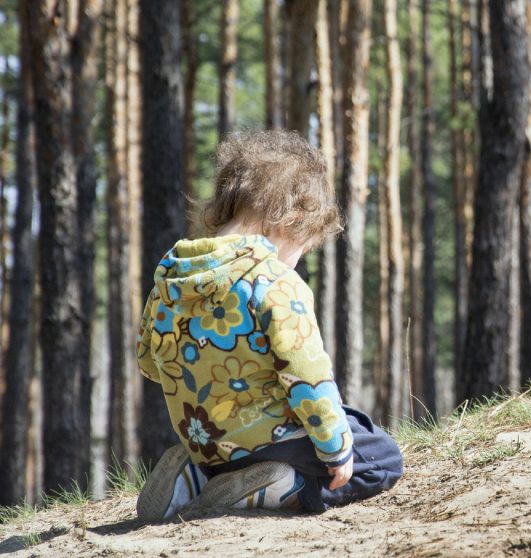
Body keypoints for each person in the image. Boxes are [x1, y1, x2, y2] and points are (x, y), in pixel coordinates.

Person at [134, 130, 403, 522]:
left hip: (205, 441)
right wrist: (335, 448)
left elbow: (148, 362)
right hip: (270, 443)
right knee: (380, 456)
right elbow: (307, 376)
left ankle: (194, 475)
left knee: (353, 419)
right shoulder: (273, 281)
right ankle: (281, 488)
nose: (298, 260)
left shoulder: (172, 279)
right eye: (303, 247)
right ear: (289, 222)